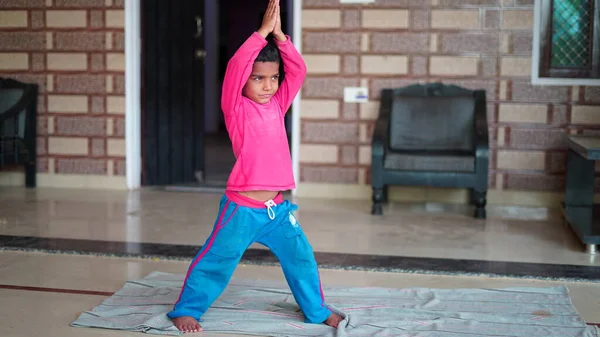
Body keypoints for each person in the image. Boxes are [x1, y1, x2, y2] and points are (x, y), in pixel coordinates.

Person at [167, 0, 345, 333]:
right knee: (217, 261)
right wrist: (261, 32)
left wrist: (280, 38)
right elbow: (237, 65)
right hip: (242, 209)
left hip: (277, 209)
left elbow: (300, 71)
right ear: (244, 82)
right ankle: (186, 309)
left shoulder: (278, 105)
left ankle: (317, 311)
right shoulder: (235, 107)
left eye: (274, 78)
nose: (268, 85)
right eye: (259, 79)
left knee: (302, 258)